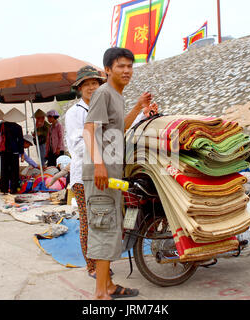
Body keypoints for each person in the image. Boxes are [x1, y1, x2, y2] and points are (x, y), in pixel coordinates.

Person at [82, 47, 157, 300]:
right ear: (107, 70)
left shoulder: (116, 95)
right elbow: (89, 130)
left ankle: (109, 286)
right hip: (100, 174)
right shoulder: (102, 93)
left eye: (129, 66)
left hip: (111, 174)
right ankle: (101, 294)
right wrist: (100, 165)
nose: (126, 70)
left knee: (111, 228)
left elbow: (118, 129)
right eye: (120, 66)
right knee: (104, 229)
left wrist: (138, 107)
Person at [65, 65, 106, 278]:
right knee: (87, 221)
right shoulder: (74, 113)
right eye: (87, 84)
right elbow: (78, 147)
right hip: (83, 176)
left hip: (104, 172)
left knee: (102, 220)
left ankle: (102, 262)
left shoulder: (103, 107)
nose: (92, 87)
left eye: (95, 83)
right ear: (80, 89)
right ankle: (91, 266)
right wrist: (99, 135)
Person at [0, 107, 25, 195]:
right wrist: (22, 153)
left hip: (4, 151)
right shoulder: (18, 127)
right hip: (14, 151)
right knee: (14, 171)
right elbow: (21, 141)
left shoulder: (2, 125)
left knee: (4, 170)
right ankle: (13, 189)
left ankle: (4, 189)